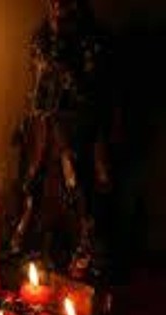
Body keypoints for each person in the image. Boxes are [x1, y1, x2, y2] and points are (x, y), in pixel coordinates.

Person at [11, 0, 116, 282]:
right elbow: (38, 89)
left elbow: (93, 96)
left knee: (79, 183)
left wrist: (67, 75)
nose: (57, 7)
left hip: (78, 127)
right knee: (35, 180)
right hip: (46, 126)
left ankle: (86, 244)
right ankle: (33, 235)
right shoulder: (42, 38)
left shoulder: (92, 42)